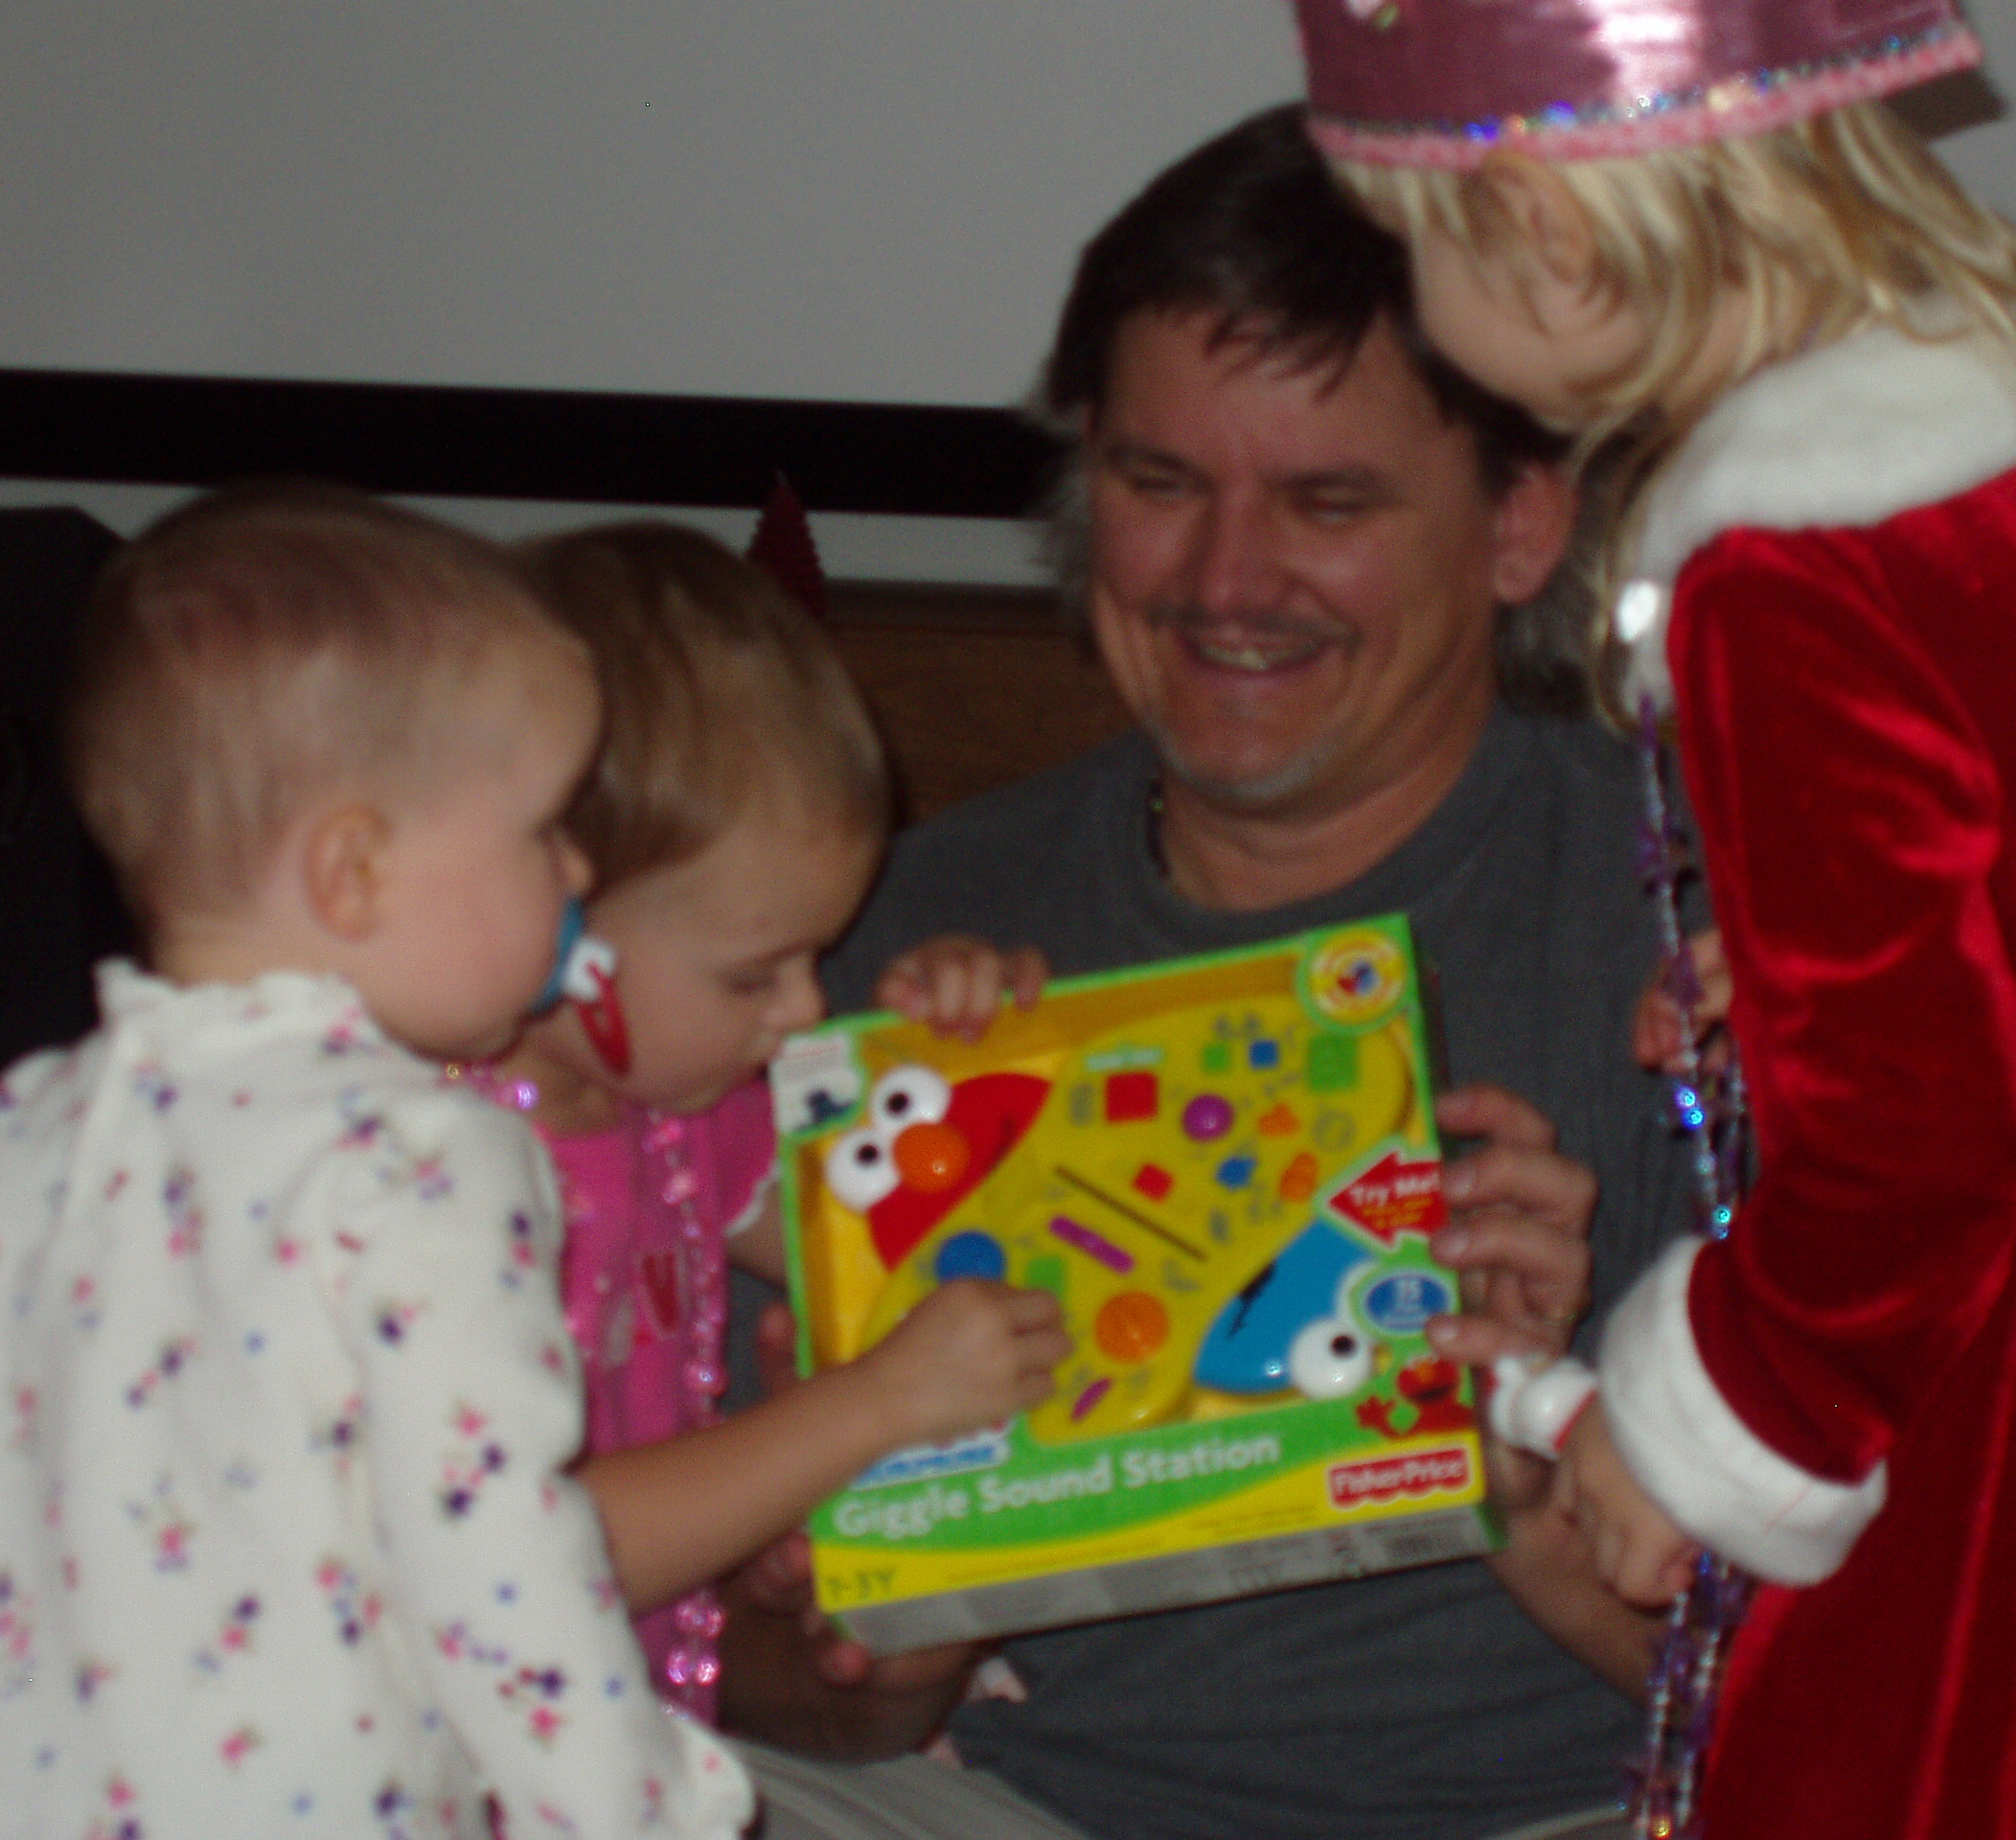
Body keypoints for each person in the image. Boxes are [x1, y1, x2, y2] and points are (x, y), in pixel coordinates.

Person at [1298, 1, 2016, 1833]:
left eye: (1410, 245)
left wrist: (1711, 1434)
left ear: (1546, 224)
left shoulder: (1778, 584)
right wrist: (1829, 968)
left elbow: (1931, 1133)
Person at [717, 106, 1698, 1840]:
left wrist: (1545, 1501)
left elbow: (1899, 1704)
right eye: (1160, 485)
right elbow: (766, 1690)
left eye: (1328, 502)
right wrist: (893, 1593)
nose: (1225, 583)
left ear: (1520, 525)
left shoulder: (1704, 935)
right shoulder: (891, 945)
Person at [0, 484, 753, 1837]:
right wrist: (640, 1805)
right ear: (352, 873)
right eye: (542, 832)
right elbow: (496, 1552)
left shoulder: (6, 1129)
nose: (578, 872)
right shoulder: (421, 1158)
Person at [471, 521, 1068, 1720]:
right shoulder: (426, 1180)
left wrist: (949, 1061)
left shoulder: (681, 1119)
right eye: (755, 976)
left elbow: (919, 1246)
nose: (805, 1009)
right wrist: (868, 1407)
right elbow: (524, 1558)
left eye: (816, 957)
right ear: (541, 923)